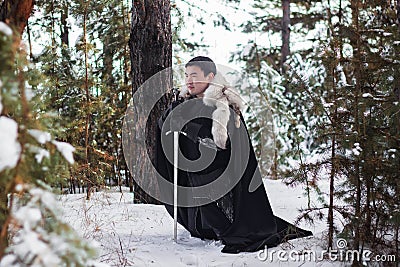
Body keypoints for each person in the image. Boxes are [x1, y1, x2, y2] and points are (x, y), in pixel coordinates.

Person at [155, 56, 312, 254]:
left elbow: (221, 144)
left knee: (209, 191)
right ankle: (205, 226)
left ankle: (226, 227)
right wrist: (171, 117)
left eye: (194, 75)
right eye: (186, 76)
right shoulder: (182, 101)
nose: (189, 81)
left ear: (210, 76)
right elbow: (165, 126)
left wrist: (188, 126)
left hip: (219, 175)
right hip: (191, 173)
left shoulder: (223, 106)